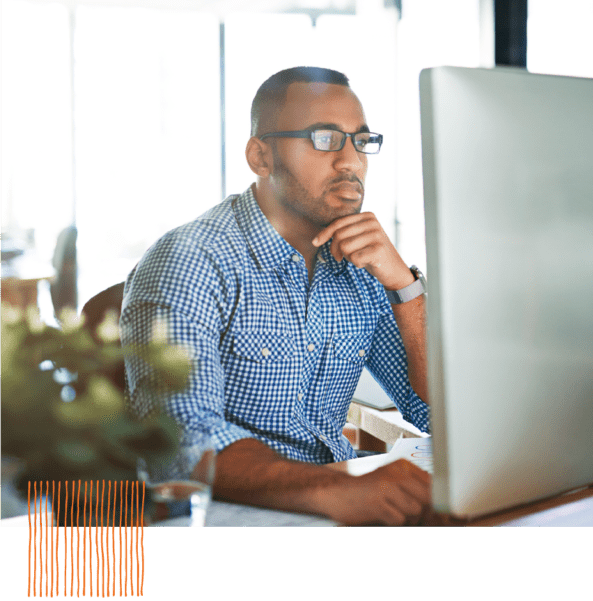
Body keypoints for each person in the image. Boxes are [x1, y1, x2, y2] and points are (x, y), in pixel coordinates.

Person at [120, 66, 433, 526]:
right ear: (260, 156)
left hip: (336, 499)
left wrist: (407, 287)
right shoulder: (190, 260)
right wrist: (336, 488)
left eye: (361, 141)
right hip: (224, 512)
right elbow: (184, 443)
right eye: (326, 138)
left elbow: (437, 412)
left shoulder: (364, 264)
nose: (350, 161)